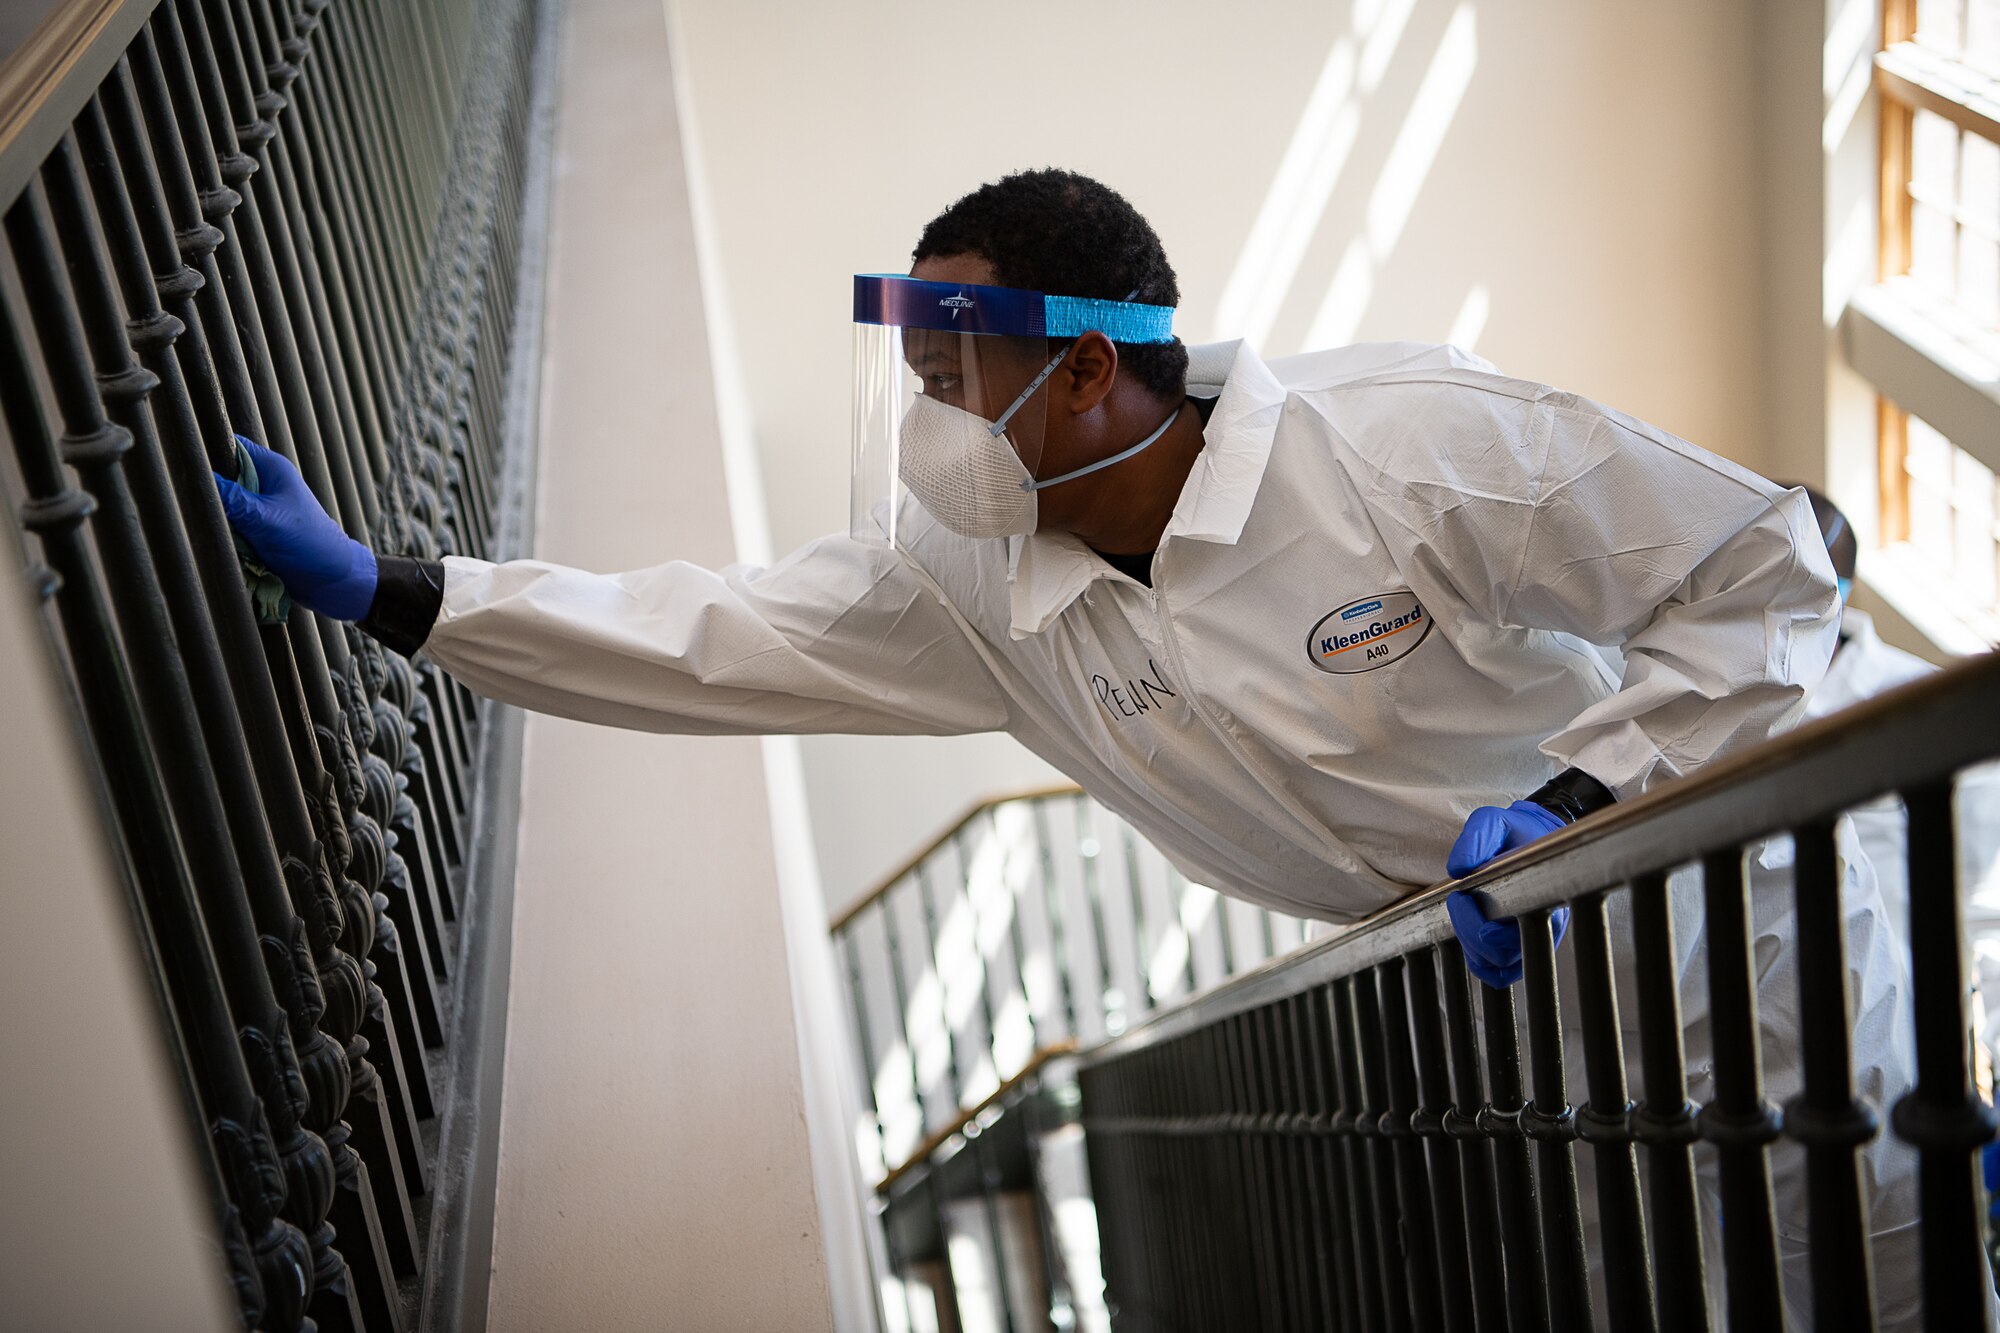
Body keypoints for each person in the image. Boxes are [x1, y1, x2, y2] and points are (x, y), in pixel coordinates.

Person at [216, 168, 1917, 1323]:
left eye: (956, 363)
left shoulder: (1403, 443)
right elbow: (714, 631)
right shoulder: (974, 586)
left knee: (1876, 1262)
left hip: (1728, 925)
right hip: (1510, 1017)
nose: (926, 404)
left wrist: (1567, 801)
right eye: (919, 358)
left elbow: (1773, 562)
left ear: (1091, 372)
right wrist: (401, 593)